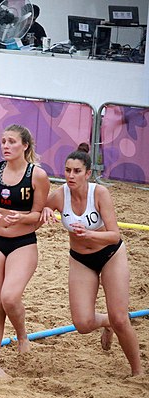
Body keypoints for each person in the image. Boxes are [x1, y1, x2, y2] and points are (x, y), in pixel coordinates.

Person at [39, 144, 143, 376]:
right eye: (67, 170)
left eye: (77, 171)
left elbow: (114, 234)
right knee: (82, 324)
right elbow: (41, 208)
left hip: (110, 253)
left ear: (88, 174)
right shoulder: (59, 194)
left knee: (120, 317)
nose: (70, 175)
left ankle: (138, 372)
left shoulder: (99, 193)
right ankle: (107, 323)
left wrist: (89, 234)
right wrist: (46, 210)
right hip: (80, 259)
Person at [0, 124, 49, 377]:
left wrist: (22, 218)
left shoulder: (37, 175)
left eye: (12, 142)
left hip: (22, 241)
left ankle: (21, 335)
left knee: (10, 297)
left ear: (25, 146)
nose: (6, 146)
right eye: (4, 141)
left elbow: (38, 214)